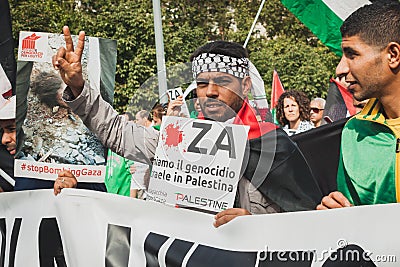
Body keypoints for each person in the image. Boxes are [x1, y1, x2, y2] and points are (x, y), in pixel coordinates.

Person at [53, 27, 322, 226]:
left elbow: (309, 221)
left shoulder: (274, 144)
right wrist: (78, 87)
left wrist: (256, 225)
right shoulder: (178, 139)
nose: (211, 92)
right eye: (203, 83)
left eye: (223, 81)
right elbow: (118, 133)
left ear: (246, 86)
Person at [317, 2, 400, 209]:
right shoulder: (353, 132)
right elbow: (357, 222)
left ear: (393, 55)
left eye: (351, 54)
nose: (340, 69)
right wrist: (341, 215)